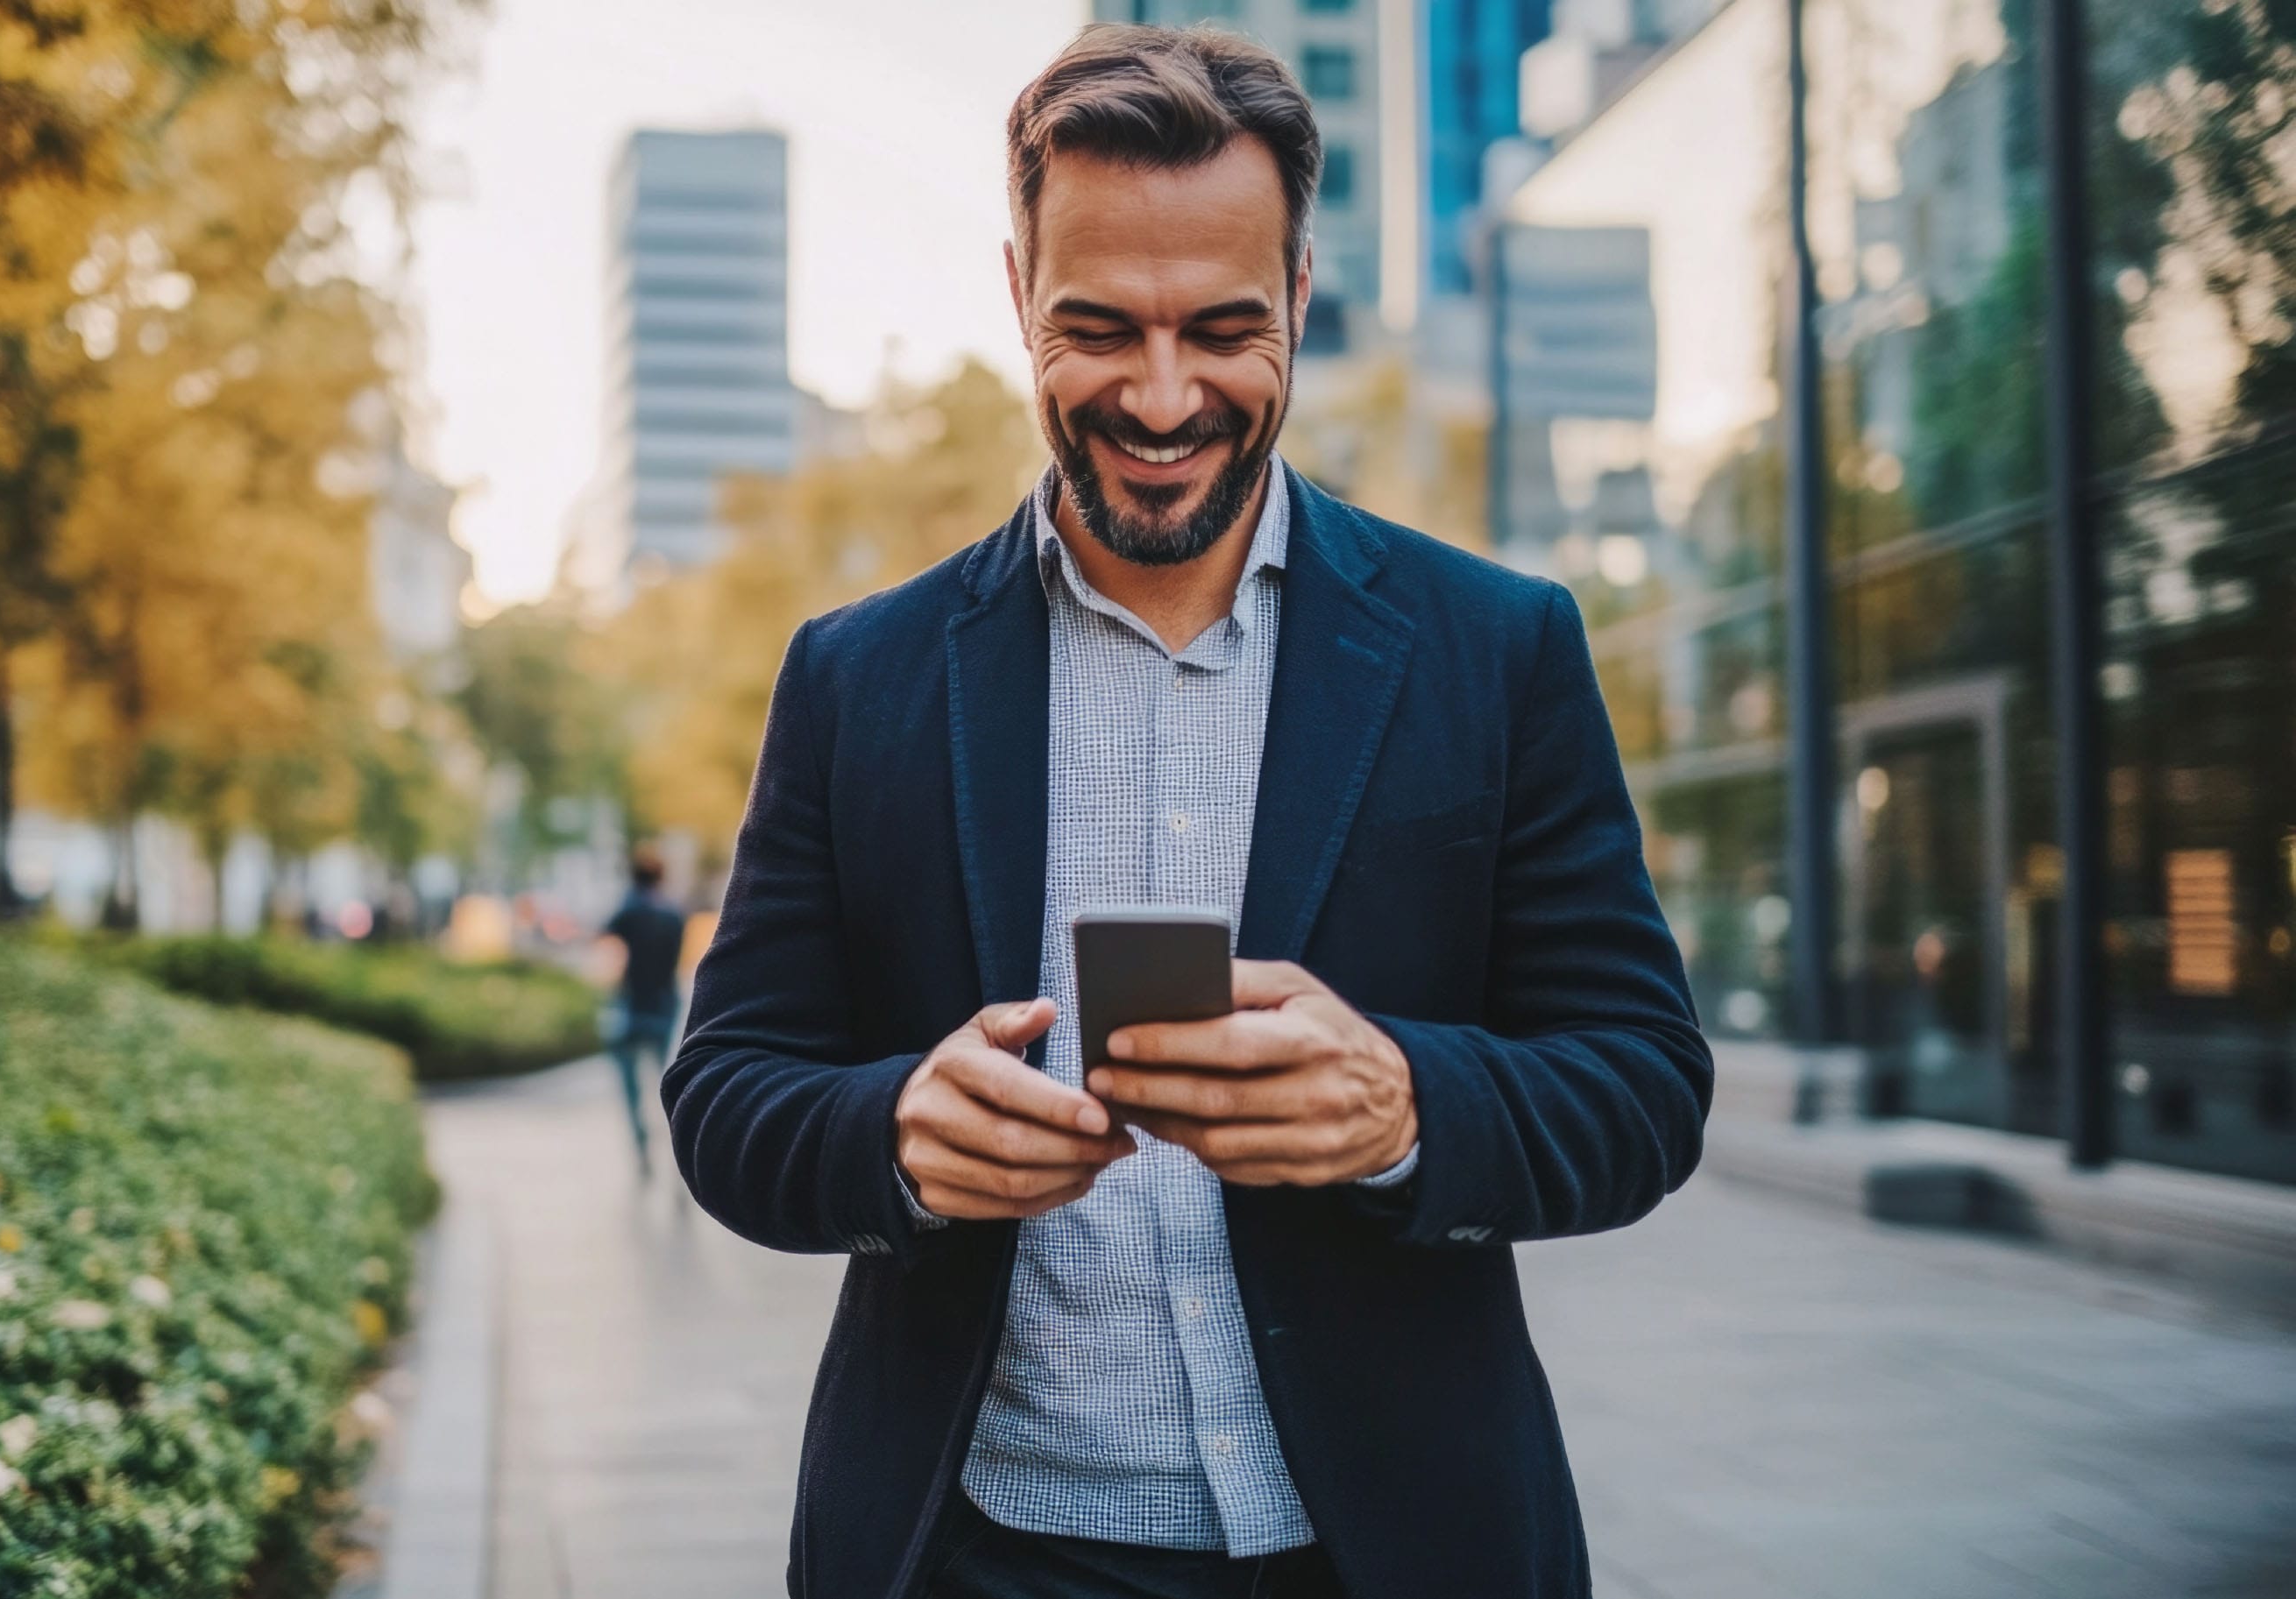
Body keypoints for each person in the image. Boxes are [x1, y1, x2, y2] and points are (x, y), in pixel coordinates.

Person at [663, 23, 1711, 1599]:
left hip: (1390, 1548)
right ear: (1018, 296)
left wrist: (1406, 1106)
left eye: (1225, 327)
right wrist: (891, 1133)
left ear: (1299, 295)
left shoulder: (1498, 651)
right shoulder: (855, 678)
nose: (1163, 398)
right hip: (972, 1553)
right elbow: (727, 1093)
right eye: (1099, 329)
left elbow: (1643, 1085)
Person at [598, 844, 684, 1178]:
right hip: (666, 1008)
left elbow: (607, 952)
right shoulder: (674, 913)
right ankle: (678, 1151)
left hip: (631, 1008)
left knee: (631, 1087)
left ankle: (642, 1146)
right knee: (669, 1087)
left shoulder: (627, 911)